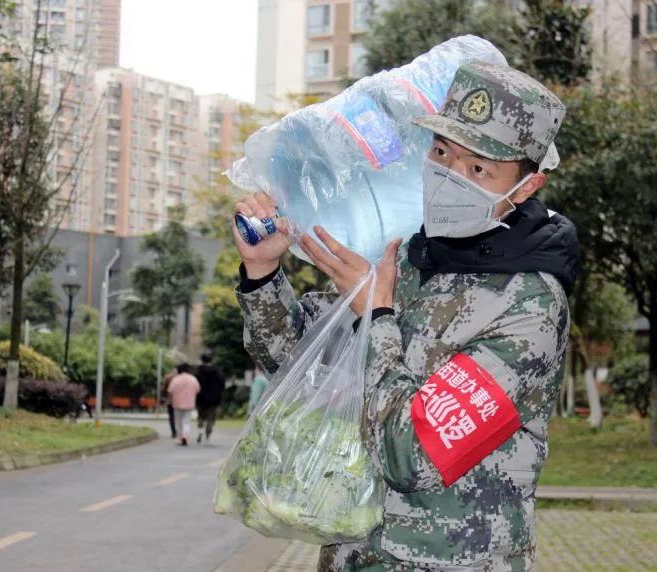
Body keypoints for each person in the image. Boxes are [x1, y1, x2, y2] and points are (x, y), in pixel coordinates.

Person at [233, 61, 578, 570]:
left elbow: (410, 454)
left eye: (478, 168)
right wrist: (262, 273)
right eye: (441, 153)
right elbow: (299, 365)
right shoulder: (408, 257)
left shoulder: (529, 306)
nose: (449, 176)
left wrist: (377, 313)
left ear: (526, 187)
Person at [167, 363, 200, 446]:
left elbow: (170, 390)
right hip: (189, 403)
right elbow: (198, 389)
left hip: (177, 403)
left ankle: (179, 438)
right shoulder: (193, 379)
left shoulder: (176, 379)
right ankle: (185, 436)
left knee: (178, 421)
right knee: (186, 421)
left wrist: (170, 400)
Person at [195, 353, 225, 443]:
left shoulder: (198, 372)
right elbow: (222, 385)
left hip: (200, 398)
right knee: (210, 418)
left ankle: (200, 431)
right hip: (214, 399)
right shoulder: (217, 372)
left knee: (200, 416)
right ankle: (208, 434)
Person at [162, 367, 178, 439]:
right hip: (179, 400)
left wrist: (164, 397)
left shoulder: (168, 377)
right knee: (178, 416)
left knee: (171, 416)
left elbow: (164, 389)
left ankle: (174, 432)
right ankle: (179, 431)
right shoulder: (180, 378)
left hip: (170, 400)